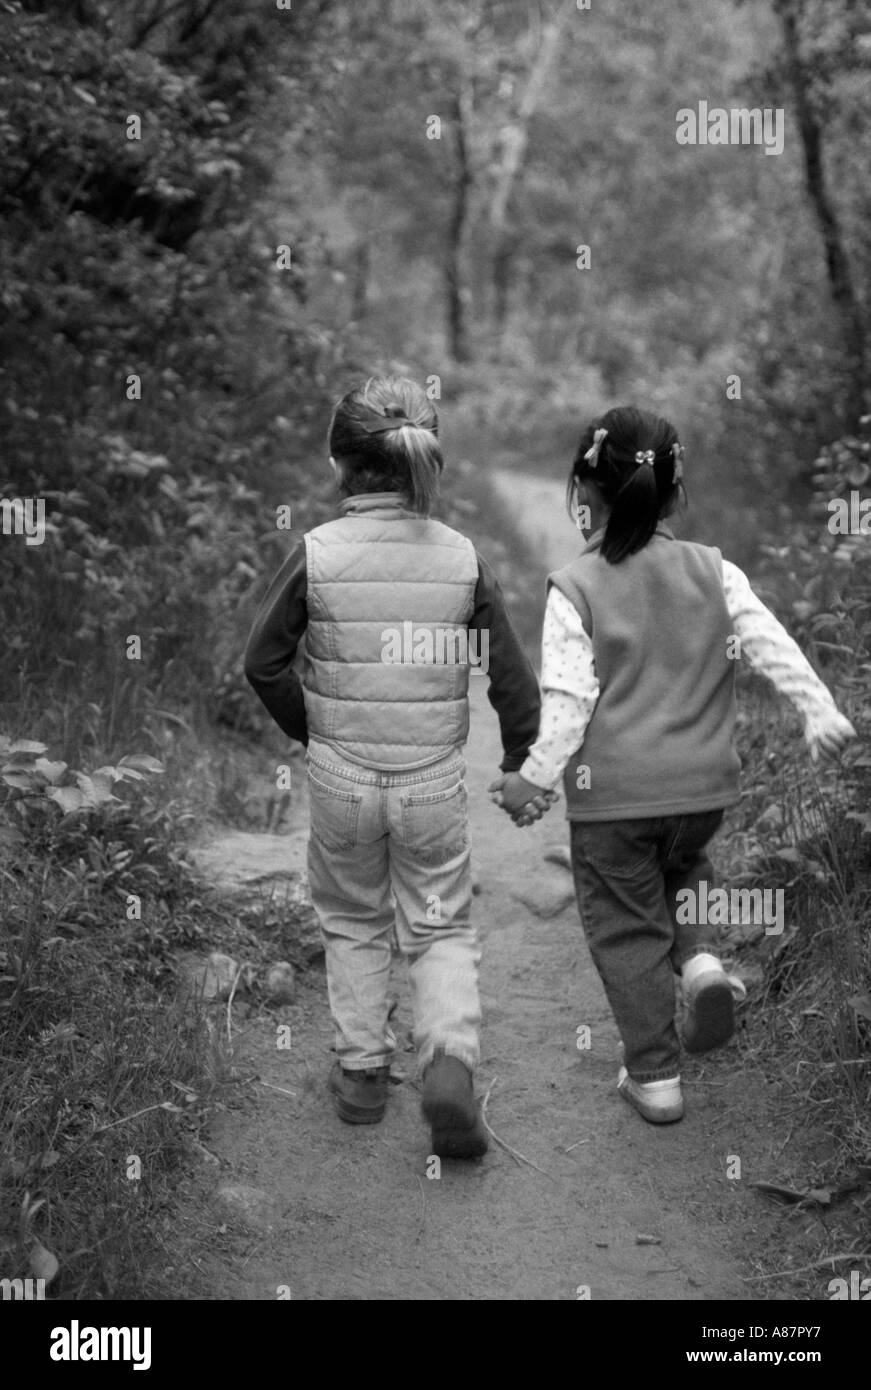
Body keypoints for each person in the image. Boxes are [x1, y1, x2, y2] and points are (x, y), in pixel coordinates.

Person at [492, 405, 856, 1123]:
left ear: (582, 498)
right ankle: (700, 965)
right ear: (676, 493)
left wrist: (528, 780)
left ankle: (653, 1076)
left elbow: (567, 704)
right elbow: (769, 643)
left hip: (614, 802)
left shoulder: (575, 586)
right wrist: (820, 711)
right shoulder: (712, 569)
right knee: (681, 871)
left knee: (626, 927)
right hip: (699, 794)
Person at [244, 375, 552, 1157]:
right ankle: (447, 1059)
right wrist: (521, 759)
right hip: (430, 783)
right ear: (425, 462)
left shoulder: (316, 551)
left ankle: (359, 1075)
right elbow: (509, 675)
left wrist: (314, 734)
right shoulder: (459, 557)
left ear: (337, 462)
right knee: (440, 922)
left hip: (342, 776)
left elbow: (263, 664)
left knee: (351, 918)